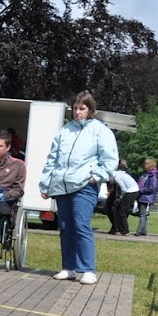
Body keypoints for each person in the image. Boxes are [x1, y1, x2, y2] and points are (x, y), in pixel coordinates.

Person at [38, 91, 117, 285]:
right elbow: (52, 159)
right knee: (65, 227)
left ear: (90, 110)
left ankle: (88, 269)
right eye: (75, 108)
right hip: (61, 186)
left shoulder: (100, 130)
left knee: (81, 225)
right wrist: (46, 183)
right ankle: (69, 268)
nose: (77, 112)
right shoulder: (65, 131)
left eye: (82, 108)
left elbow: (109, 158)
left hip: (84, 186)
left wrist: (95, 177)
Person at [107, 160, 139, 236]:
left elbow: (123, 189)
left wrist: (120, 198)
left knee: (122, 211)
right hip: (133, 190)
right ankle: (121, 229)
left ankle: (124, 230)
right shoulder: (119, 173)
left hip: (131, 191)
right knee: (119, 210)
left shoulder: (117, 177)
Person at [135, 157, 158, 236]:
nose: (144, 165)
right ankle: (144, 231)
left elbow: (152, 188)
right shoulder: (145, 175)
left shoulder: (153, 176)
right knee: (143, 215)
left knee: (142, 215)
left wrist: (141, 190)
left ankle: (138, 231)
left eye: (146, 164)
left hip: (146, 197)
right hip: (142, 196)